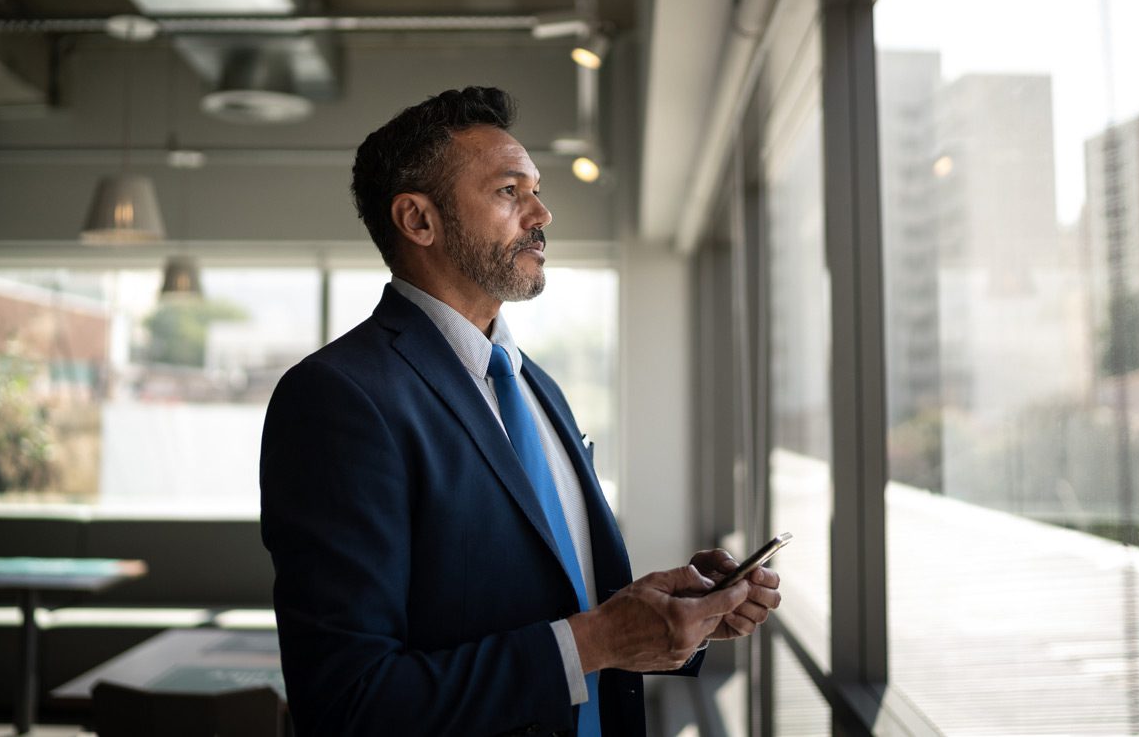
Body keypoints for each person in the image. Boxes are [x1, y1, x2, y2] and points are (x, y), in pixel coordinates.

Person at [260, 86, 781, 736]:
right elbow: (349, 702)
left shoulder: (540, 388)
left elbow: (553, 604)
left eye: (534, 188)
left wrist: (673, 617)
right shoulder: (338, 399)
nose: (542, 211)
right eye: (510, 191)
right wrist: (596, 640)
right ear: (419, 220)